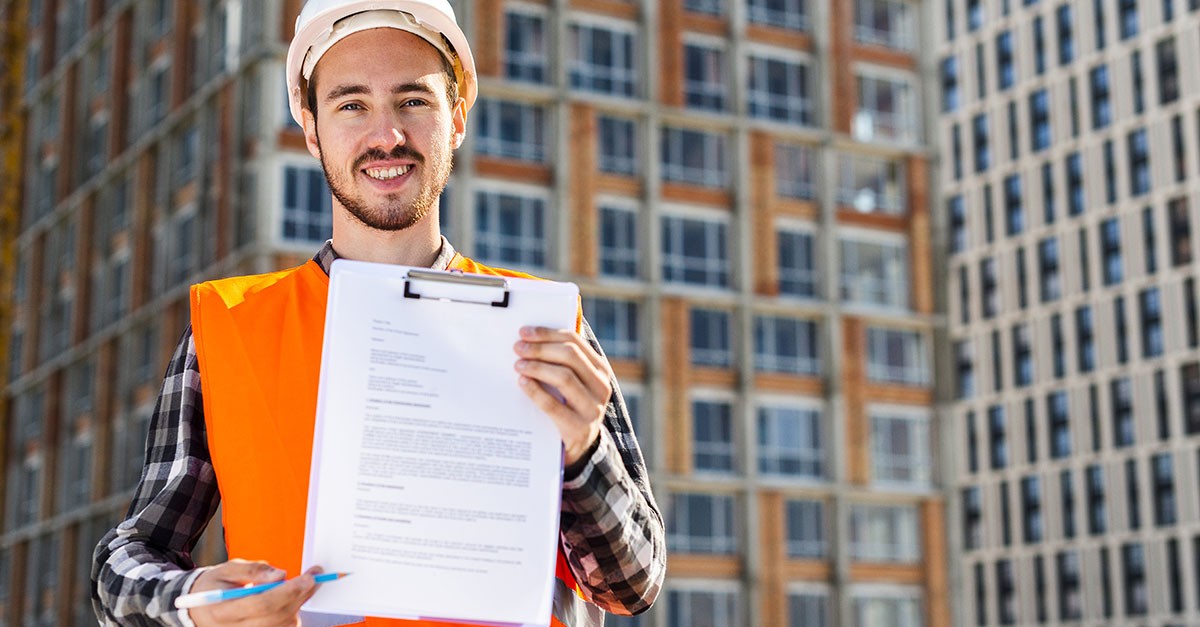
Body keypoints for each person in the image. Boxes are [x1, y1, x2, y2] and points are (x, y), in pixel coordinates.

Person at [91, 1, 666, 625]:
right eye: (352, 104)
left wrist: (582, 446)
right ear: (311, 130)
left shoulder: (544, 327)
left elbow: (632, 584)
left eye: (413, 101)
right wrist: (195, 603)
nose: (386, 135)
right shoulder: (231, 329)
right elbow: (125, 562)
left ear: (456, 120)